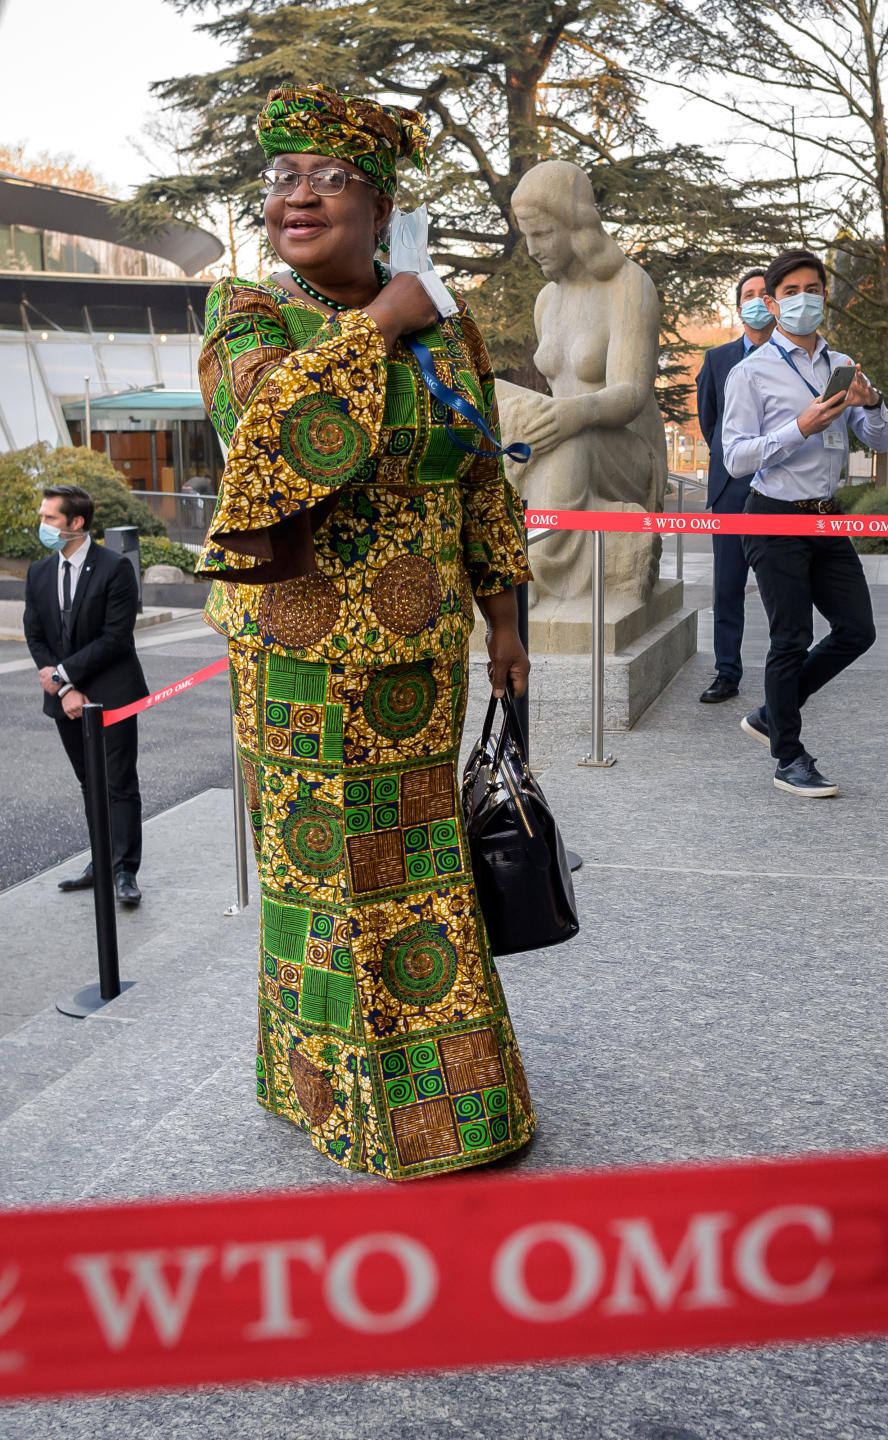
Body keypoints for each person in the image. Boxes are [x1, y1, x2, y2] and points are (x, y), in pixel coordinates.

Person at [196, 83, 537, 1181]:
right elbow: (273, 429)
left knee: (421, 866)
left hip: (419, 655)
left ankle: (452, 1103)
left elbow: (481, 477)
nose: (299, 198)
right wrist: (380, 322)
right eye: (282, 181)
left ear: (382, 207)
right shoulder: (246, 312)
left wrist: (506, 619)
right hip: (298, 653)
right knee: (327, 877)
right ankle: (343, 1102)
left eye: (328, 181)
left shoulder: (452, 326)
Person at [722, 249, 888, 797]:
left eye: (813, 289)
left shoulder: (841, 364)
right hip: (772, 515)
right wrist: (800, 426)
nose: (804, 299)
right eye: (791, 291)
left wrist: (871, 403)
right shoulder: (750, 372)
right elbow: (735, 457)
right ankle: (788, 757)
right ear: (772, 303)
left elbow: (882, 440)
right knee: (790, 638)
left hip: (825, 516)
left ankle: (773, 711)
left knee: (857, 630)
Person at [496, 159, 667, 603]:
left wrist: (576, 414)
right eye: (527, 234)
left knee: (571, 440)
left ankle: (538, 572)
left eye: (543, 233)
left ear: (575, 225)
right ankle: (505, 555)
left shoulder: (631, 286)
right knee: (494, 408)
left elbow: (632, 394)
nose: (533, 248)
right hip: (566, 437)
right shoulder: (546, 300)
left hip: (627, 450)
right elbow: (558, 396)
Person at [23, 484, 148, 903]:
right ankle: (100, 863)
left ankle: (125, 871)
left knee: (118, 783)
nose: (42, 525)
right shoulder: (39, 571)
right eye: (43, 516)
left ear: (76, 523)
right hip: (66, 700)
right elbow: (35, 634)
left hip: (113, 693)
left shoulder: (115, 568)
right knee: (89, 783)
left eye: (50, 518)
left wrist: (62, 675)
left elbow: (115, 638)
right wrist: (65, 689)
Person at [695, 267, 774, 703]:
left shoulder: (789, 358)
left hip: (781, 491)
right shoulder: (718, 360)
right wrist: (732, 463)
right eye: (749, 294)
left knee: (783, 586)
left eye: (766, 293)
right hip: (730, 490)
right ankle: (727, 672)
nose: (758, 301)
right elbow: (711, 423)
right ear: (739, 304)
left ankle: (790, 673)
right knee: (727, 586)